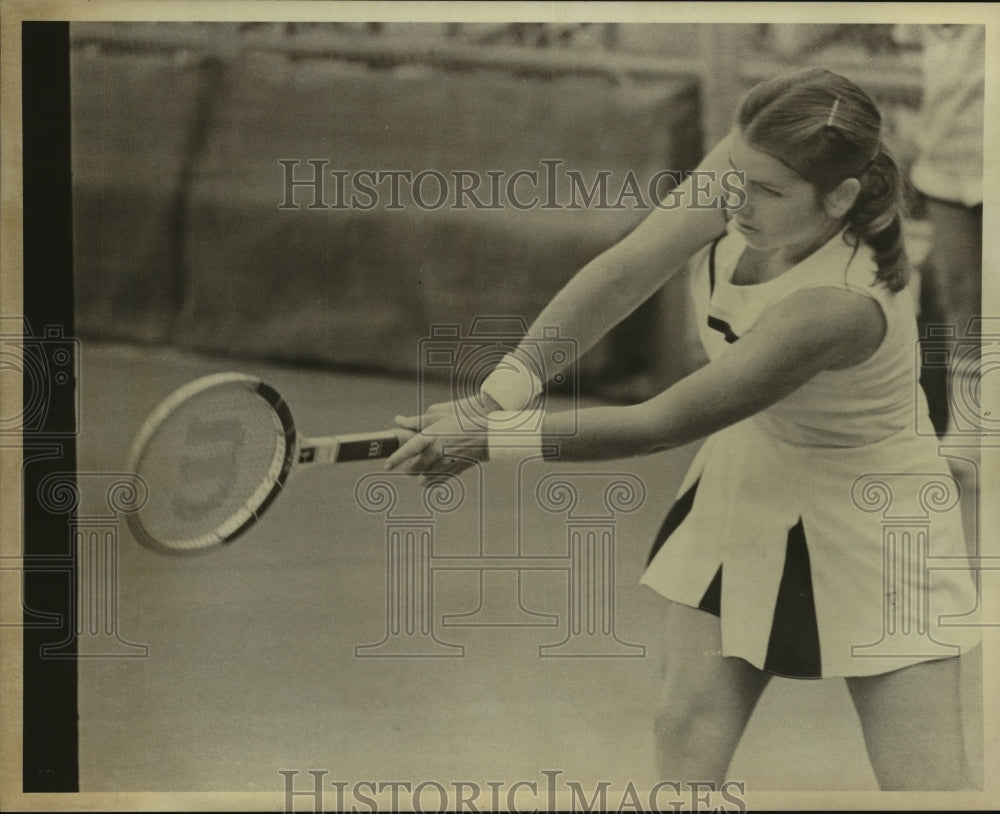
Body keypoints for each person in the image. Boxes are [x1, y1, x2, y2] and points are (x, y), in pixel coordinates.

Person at [385, 68, 980, 790]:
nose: (737, 198)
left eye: (767, 191)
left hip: (879, 520)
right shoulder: (745, 174)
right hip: (749, 476)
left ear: (842, 197)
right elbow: (628, 268)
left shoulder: (839, 304)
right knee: (686, 727)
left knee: (927, 786)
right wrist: (496, 396)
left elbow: (658, 424)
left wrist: (492, 441)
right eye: (737, 173)